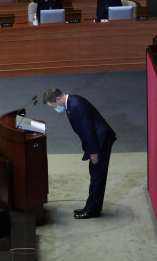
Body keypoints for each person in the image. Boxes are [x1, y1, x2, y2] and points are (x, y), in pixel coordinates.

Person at [43, 88, 116, 219]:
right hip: (97, 141)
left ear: (58, 99)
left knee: (97, 175)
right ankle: (91, 207)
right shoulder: (72, 102)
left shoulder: (76, 105)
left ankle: (92, 210)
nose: (53, 108)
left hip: (100, 141)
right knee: (95, 174)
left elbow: (88, 130)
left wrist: (94, 152)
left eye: (52, 105)